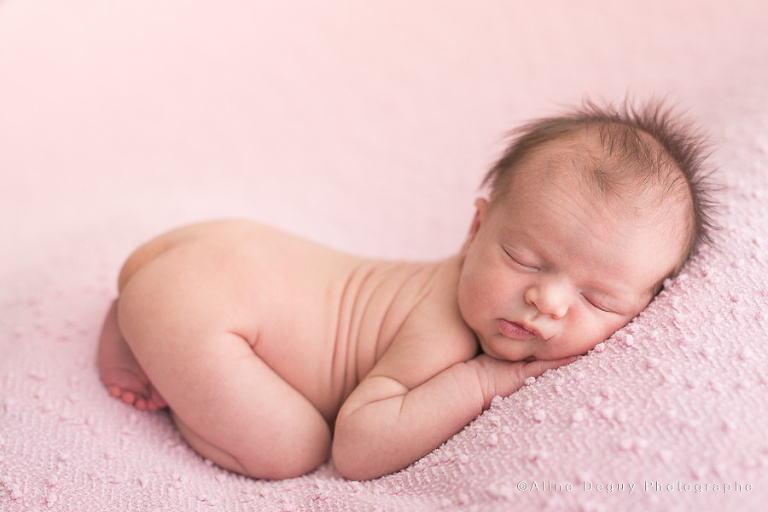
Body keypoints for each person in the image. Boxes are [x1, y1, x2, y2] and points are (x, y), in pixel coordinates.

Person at [97, 99, 716, 481]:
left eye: (598, 300)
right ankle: (142, 329)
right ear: (475, 229)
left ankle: (144, 312)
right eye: (523, 259)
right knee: (291, 448)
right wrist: (483, 381)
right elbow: (358, 450)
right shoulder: (443, 325)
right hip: (203, 301)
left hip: (214, 253)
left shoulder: (481, 295)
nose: (548, 302)